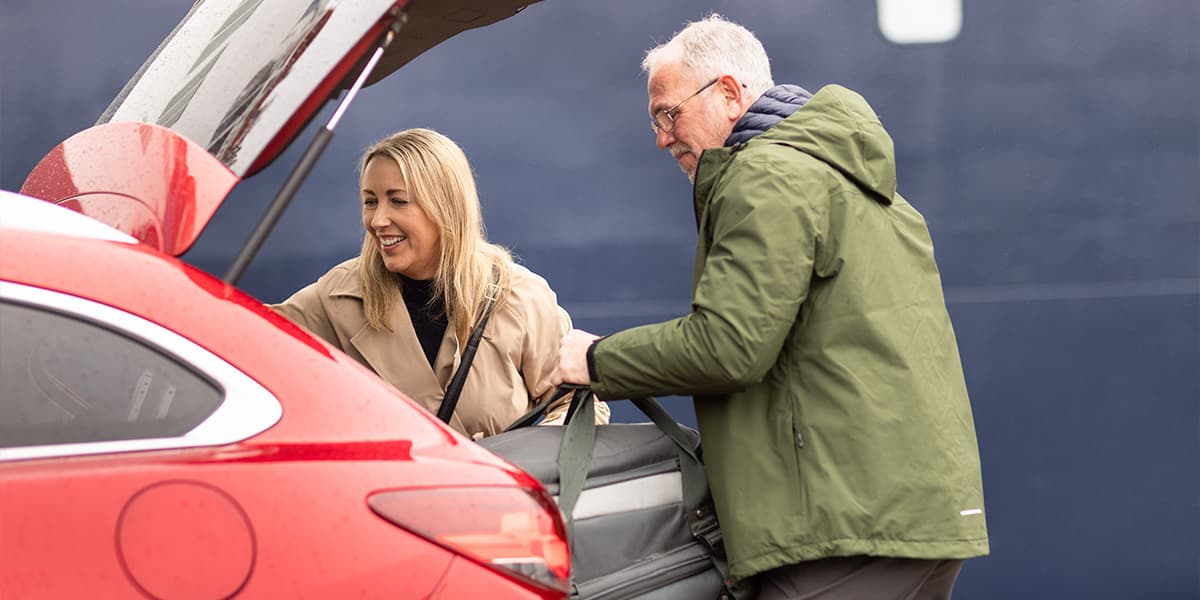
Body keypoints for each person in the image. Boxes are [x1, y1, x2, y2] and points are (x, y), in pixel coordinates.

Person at [553, 14, 988, 599]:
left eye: (667, 114)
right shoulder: (861, 185)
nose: (661, 137)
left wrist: (594, 360)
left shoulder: (765, 176)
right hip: (917, 515)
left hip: (840, 527)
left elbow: (729, 347)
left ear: (729, 93)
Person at [274, 128, 608, 439]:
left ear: (444, 206)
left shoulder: (519, 296)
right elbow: (245, 341)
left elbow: (578, 404)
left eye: (398, 200)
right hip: (385, 498)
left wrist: (533, 460)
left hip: (500, 496)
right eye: (370, 201)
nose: (377, 221)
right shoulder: (340, 296)